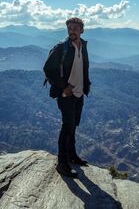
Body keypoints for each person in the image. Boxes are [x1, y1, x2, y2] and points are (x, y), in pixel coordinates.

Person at [43, 17, 91, 178]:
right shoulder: (60, 48)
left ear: (81, 30)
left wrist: (85, 84)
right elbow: (48, 69)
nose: (72, 31)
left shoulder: (83, 46)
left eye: (75, 28)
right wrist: (64, 87)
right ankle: (62, 164)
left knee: (73, 126)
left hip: (79, 92)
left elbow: (84, 66)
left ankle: (72, 156)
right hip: (66, 95)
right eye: (69, 28)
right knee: (67, 127)